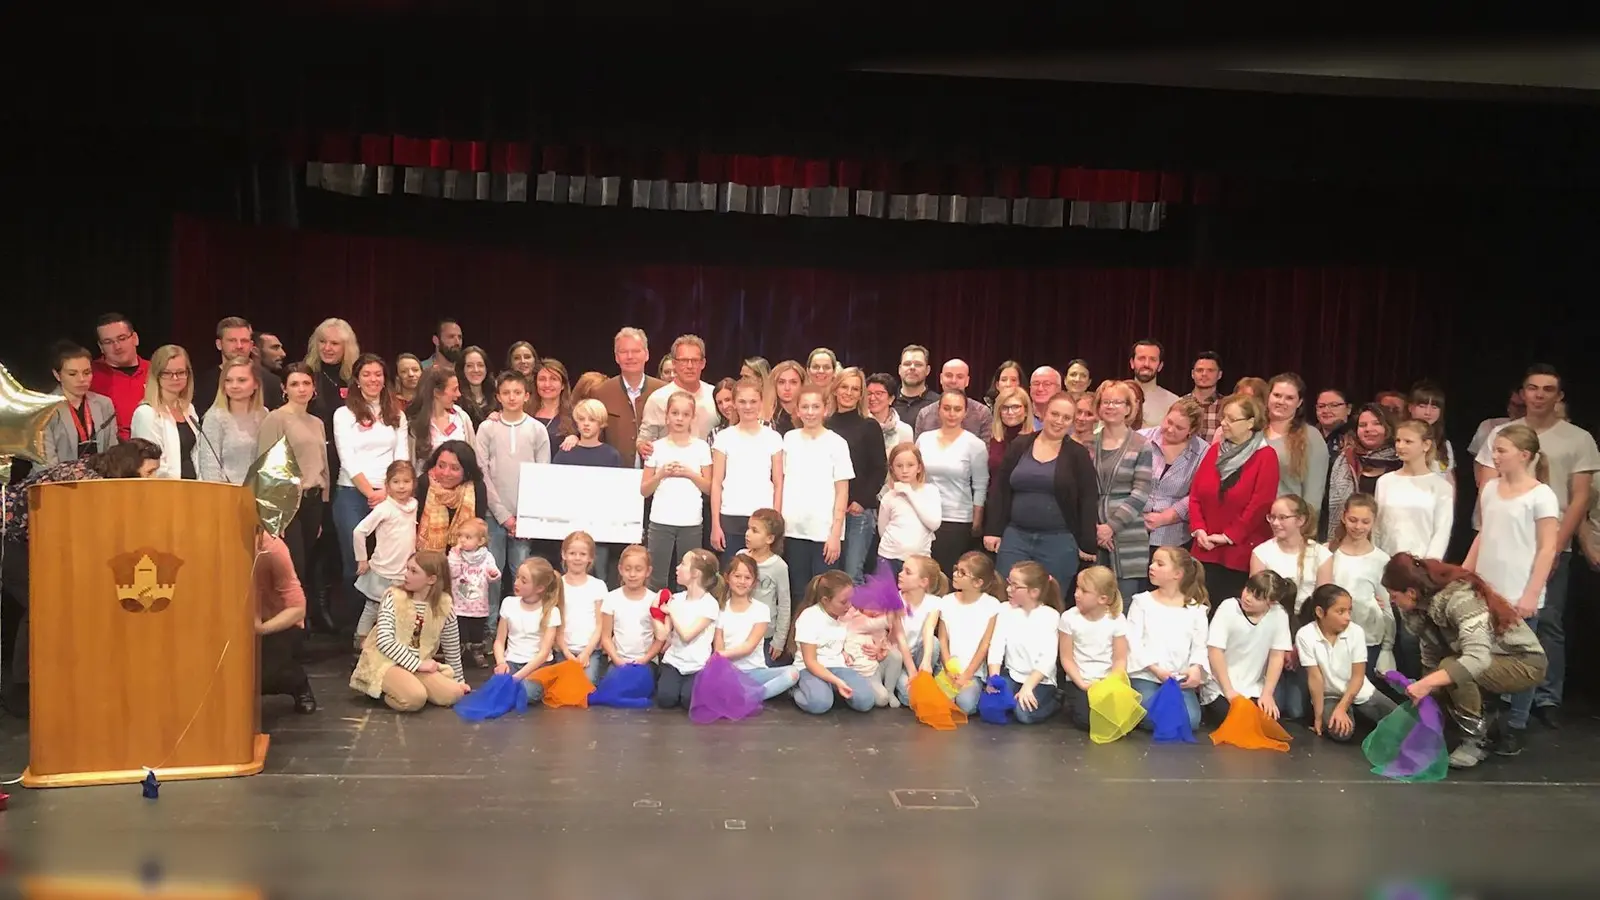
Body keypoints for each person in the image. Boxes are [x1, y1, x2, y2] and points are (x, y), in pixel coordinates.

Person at [0, 439, 163, 715]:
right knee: (41, 602)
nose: (152, 480)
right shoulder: (85, 482)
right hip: (7, 538)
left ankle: (43, 684)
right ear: (129, 467)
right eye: (149, 472)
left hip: (27, 541)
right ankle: (23, 691)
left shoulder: (100, 476)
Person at [1380, 553, 1548, 768]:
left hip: (1523, 661)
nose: (1392, 601)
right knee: (1440, 677)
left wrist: (1426, 684)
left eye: (1393, 595)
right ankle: (1486, 723)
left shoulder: (1461, 600)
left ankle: (1477, 741)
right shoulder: (1415, 609)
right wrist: (1428, 693)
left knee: (1451, 668)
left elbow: (1476, 658)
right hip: (1486, 660)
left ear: (1411, 592)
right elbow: (1430, 653)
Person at [348, 550, 470, 712]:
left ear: (431, 579)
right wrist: (418, 665)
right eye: (407, 569)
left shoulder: (444, 605)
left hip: (418, 665)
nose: (406, 575)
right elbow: (385, 641)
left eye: (413, 571)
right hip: (386, 662)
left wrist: (459, 680)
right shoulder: (394, 597)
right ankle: (379, 692)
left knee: (453, 693)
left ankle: (411, 684)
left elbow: (451, 645)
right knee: (414, 699)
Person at [1124, 546, 1212, 730]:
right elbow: (1133, 641)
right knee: (1155, 716)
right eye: (1152, 562)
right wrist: (1156, 670)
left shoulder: (1195, 609)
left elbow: (1200, 646)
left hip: (1178, 678)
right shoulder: (1142, 602)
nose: (1152, 566)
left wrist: (1195, 669)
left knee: (1190, 720)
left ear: (1177, 574)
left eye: (1160, 564)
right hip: (1146, 674)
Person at [1205, 571, 1294, 724]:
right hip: (1220, 685)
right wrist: (1229, 692)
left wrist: (1267, 693)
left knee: (1266, 720)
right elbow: (1215, 651)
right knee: (1236, 719)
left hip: (1254, 686)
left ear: (1271, 602)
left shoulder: (1279, 615)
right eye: (1248, 590)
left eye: (1257, 597)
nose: (1247, 598)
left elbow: (1276, 656)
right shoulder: (1228, 607)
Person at [715, 554, 802, 701]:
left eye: (747, 578)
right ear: (727, 578)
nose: (742, 581)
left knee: (793, 673)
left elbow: (749, 645)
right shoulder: (721, 609)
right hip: (729, 672)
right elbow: (719, 645)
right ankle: (741, 692)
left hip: (755, 672)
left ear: (754, 582)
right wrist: (724, 663)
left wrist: (720, 656)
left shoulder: (761, 610)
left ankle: (751, 697)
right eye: (737, 576)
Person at [351, 461, 419, 648]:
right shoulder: (384, 508)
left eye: (406, 481)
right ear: (387, 485)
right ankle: (361, 640)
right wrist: (362, 559)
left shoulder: (413, 505)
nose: (401, 486)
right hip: (383, 569)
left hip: (403, 570)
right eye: (396, 482)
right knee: (373, 607)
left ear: (413, 483)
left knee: (400, 609)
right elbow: (359, 531)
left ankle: (393, 643)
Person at [986, 561, 1064, 724]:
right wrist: (993, 678)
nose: (1008, 589)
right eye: (1009, 583)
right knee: (992, 707)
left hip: (1038, 680)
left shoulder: (1050, 616)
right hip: (1013, 675)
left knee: (1024, 714)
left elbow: (1047, 659)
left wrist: (1028, 686)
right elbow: (997, 646)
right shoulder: (1005, 610)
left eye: (1015, 586)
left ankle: (1055, 700)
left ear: (1034, 592)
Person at [790, 570, 877, 714]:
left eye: (851, 600)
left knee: (865, 701)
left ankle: (830, 689)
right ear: (825, 600)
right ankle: (795, 689)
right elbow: (811, 661)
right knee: (819, 704)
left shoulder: (847, 614)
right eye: (843, 602)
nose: (849, 605)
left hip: (838, 666)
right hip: (810, 669)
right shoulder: (809, 617)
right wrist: (836, 681)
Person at [1056, 566, 1129, 732]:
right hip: (1080, 680)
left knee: (1118, 720)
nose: (1076, 594)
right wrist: (1082, 684)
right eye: (1077, 588)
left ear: (1102, 599)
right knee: (1086, 720)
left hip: (1108, 681)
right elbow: (1066, 658)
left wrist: (1112, 682)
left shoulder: (1116, 620)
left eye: (1084, 591)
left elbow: (1120, 659)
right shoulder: (1069, 618)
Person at [651, 549, 723, 710]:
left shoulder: (709, 604)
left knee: (688, 700)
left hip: (697, 665)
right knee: (665, 699)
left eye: (683, 564)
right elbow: (663, 634)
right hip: (674, 662)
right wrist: (655, 612)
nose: (677, 568)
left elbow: (687, 635)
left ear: (695, 573)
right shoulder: (676, 599)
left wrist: (672, 612)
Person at [255, 531, 317, 714]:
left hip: (277, 623)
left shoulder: (272, 549)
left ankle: (297, 683)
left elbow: (298, 610)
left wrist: (261, 629)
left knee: (262, 676)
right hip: (238, 622)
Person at [935, 552, 1004, 715]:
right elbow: (943, 639)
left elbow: (985, 644)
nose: (955, 575)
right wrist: (948, 668)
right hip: (949, 668)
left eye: (962, 573)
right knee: (942, 703)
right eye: (956, 569)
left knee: (966, 705)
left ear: (978, 582)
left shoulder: (991, 605)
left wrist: (967, 675)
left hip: (973, 671)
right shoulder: (947, 601)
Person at [493, 557, 564, 703]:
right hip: (512, 661)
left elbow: (543, 653)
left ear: (540, 588)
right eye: (517, 577)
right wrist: (501, 663)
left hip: (537, 665)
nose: (516, 583)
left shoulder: (550, 611)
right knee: (499, 691)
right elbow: (500, 641)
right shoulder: (509, 603)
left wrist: (517, 677)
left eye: (524, 581)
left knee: (526, 693)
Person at [43, 341, 119, 465]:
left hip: (99, 478)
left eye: (87, 372)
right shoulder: (45, 409)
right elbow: (45, 462)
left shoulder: (104, 404)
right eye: (72, 374)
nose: (82, 379)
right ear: (57, 375)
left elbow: (113, 452)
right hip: (60, 480)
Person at [876, 443, 942, 578]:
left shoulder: (930, 491)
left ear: (919, 467)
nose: (904, 470)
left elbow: (934, 524)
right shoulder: (889, 496)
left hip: (920, 559)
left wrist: (909, 494)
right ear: (892, 469)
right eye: (899, 466)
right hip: (889, 557)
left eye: (910, 465)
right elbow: (882, 529)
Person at [599, 545, 664, 670]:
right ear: (620, 569)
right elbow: (606, 637)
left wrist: (644, 659)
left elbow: (660, 639)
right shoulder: (611, 598)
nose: (632, 574)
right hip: (618, 660)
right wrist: (617, 659)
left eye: (638, 569)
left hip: (647, 661)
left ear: (648, 571)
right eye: (627, 569)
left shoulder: (654, 600)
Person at [555, 531, 608, 684]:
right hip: (564, 649)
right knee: (565, 684)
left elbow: (600, 624)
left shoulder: (598, 586)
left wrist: (587, 652)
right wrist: (565, 650)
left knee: (585, 684)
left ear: (590, 557)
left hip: (590, 650)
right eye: (572, 553)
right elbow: (555, 622)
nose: (577, 558)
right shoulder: (559, 584)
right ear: (564, 555)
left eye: (583, 554)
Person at [447, 518, 500, 667]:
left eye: (468, 537)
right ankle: (459, 654)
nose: (462, 540)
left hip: (478, 604)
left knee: (477, 631)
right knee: (459, 631)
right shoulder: (455, 554)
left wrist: (493, 574)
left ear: (480, 541)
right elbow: (452, 573)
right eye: (460, 536)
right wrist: (455, 556)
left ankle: (477, 653)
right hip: (459, 604)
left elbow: (494, 574)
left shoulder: (487, 556)